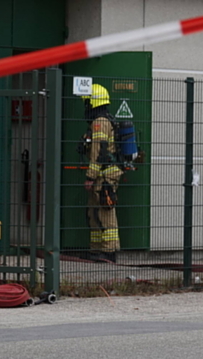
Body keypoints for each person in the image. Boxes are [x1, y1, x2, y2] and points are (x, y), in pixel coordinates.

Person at [80, 83, 124, 263]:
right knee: (94, 212)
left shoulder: (100, 123)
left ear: (93, 102)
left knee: (105, 211)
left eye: (87, 102)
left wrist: (90, 176)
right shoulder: (103, 121)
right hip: (102, 173)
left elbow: (99, 151)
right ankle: (96, 250)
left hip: (105, 174)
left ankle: (109, 251)